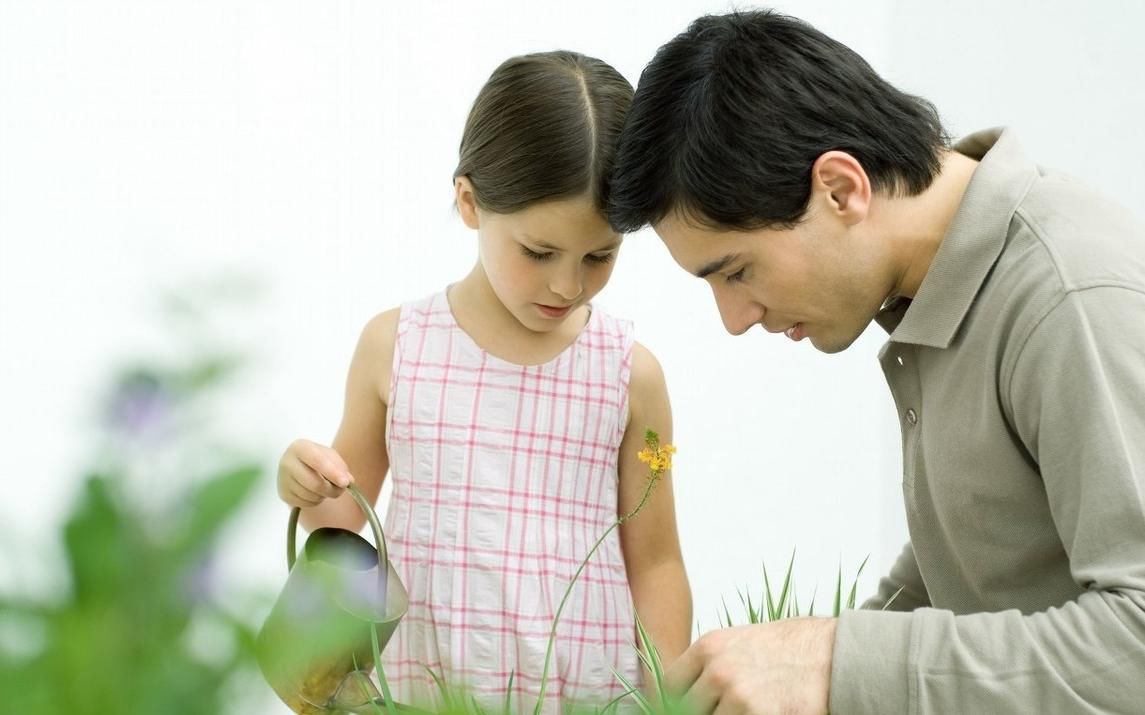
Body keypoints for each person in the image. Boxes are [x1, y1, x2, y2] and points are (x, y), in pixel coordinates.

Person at [607, 9, 1145, 715]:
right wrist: (795, 663)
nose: (734, 319)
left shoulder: (1067, 295)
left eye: (735, 271)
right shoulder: (937, 296)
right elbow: (979, 570)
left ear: (840, 188)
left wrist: (834, 660)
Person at [276, 51, 692, 712]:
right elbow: (342, 520)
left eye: (599, 255)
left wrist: (664, 696)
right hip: (422, 688)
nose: (568, 283)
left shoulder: (628, 373)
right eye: (538, 252)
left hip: (578, 696)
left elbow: (656, 562)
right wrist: (302, 481)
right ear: (469, 203)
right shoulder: (397, 346)